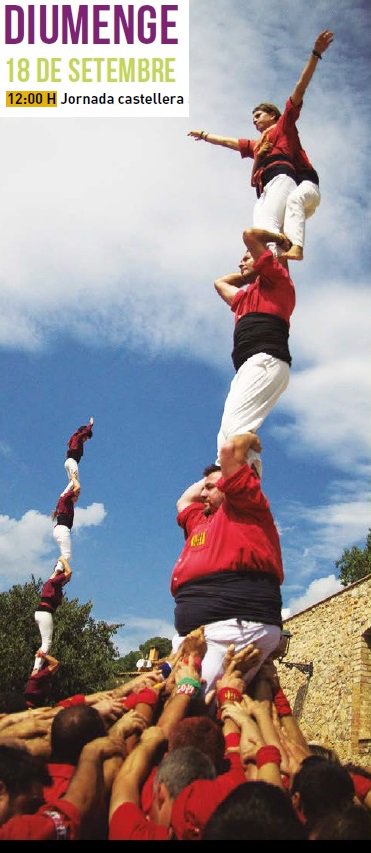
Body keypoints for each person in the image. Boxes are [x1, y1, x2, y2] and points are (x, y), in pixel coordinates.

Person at [188, 30, 334, 260]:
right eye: (253, 118)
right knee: (265, 228)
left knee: (268, 228)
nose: (254, 120)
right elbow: (228, 142)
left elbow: (300, 88)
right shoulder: (258, 145)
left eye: (258, 115)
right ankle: (275, 265)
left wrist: (315, 54)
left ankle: (276, 265)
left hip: (285, 178)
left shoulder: (283, 127)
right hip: (266, 187)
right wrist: (205, 135)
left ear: (273, 115)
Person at [171, 433, 284, 694]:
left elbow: (231, 455)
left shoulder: (245, 508)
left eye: (211, 487)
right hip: (199, 634)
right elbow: (183, 501)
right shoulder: (200, 521)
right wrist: (211, 475)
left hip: (233, 626)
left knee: (189, 700)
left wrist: (242, 442)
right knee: (176, 698)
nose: (202, 493)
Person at [214, 227, 295, 473]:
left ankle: (241, 480)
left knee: (236, 429)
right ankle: (239, 476)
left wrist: (279, 241)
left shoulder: (278, 282)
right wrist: (248, 274)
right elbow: (220, 283)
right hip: (249, 366)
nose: (241, 262)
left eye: (247, 257)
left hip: (266, 360)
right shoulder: (244, 299)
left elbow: (250, 235)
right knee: (225, 436)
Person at [33, 556, 72, 672]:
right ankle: (36, 670)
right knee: (47, 643)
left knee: (45, 643)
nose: (66, 582)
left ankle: (36, 668)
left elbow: (60, 573)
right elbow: (69, 572)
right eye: (66, 580)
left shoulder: (52, 582)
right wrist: (63, 559)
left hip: (41, 613)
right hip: (45, 613)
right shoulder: (54, 581)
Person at [52, 479, 80, 569]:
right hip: (63, 530)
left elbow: (66, 490)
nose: (78, 497)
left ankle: (58, 569)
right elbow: (77, 487)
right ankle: (57, 571)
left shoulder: (64, 500)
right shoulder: (65, 499)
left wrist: (72, 481)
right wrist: (74, 478)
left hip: (59, 530)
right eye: (77, 494)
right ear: (71, 494)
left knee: (66, 556)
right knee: (66, 556)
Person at [64, 418, 94, 484]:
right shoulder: (78, 437)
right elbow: (85, 431)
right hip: (72, 461)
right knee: (76, 482)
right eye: (86, 438)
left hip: (68, 462)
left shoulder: (75, 440)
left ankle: (67, 491)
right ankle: (66, 492)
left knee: (73, 483)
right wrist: (91, 424)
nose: (86, 440)